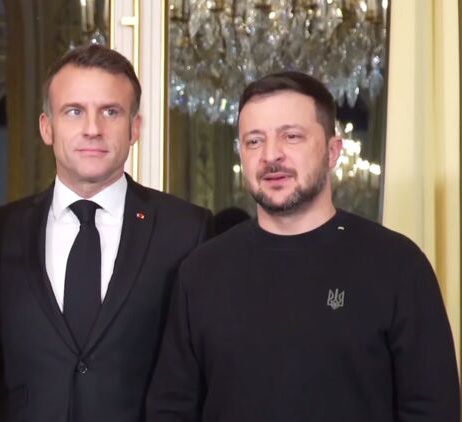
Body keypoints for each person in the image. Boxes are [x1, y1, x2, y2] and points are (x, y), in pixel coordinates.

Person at [146, 71, 460, 421]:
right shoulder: (201, 272)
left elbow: (432, 408)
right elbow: (171, 409)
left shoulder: (398, 265)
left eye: (291, 136)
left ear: (332, 151)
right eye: (254, 141)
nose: (271, 156)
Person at [0, 44, 215, 422]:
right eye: (74, 111)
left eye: (110, 112)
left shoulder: (186, 230)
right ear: (47, 127)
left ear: (135, 128)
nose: (92, 129)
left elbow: (202, 373)